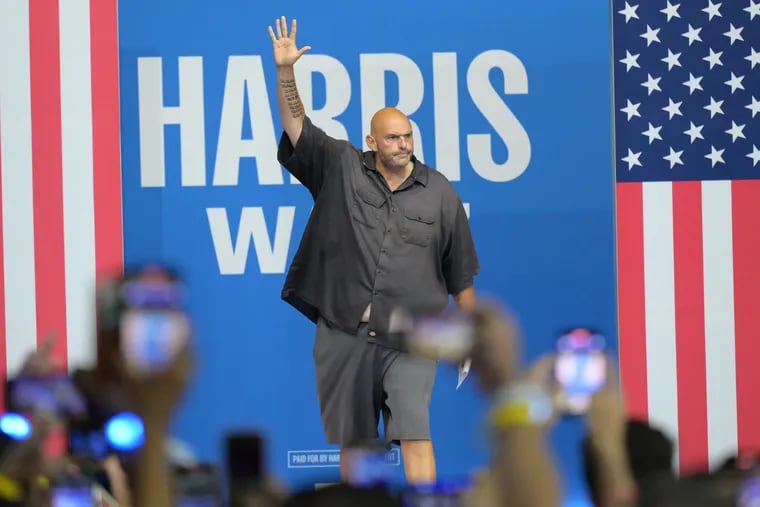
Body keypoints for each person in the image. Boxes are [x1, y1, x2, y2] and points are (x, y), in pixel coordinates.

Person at [267, 16, 480, 484]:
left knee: (416, 434)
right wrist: (286, 73)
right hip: (345, 330)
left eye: (407, 136)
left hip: (410, 339)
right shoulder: (341, 166)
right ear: (371, 141)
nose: (403, 145)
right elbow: (298, 125)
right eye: (392, 138)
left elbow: (460, 272)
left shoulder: (439, 191)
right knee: (357, 441)